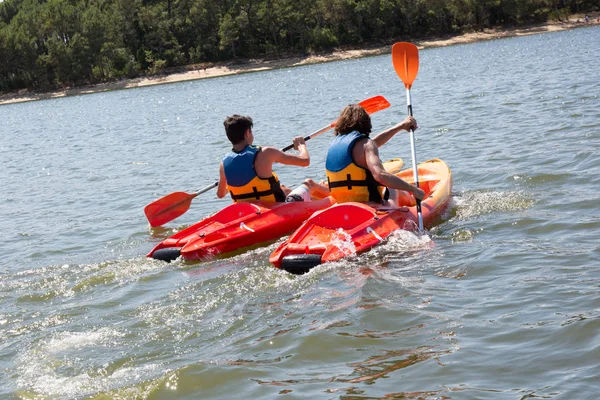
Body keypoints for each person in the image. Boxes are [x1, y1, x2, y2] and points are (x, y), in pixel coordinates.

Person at [325, 104, 425, 207]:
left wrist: (400, 126)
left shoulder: (335, 145)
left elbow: (373, 143)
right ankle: (415, 199)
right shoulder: (366, 145)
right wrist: (413, 189)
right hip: (369, 207)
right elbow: (380, 176)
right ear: (365, 122)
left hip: (342, 206)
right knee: (392, 187)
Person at [216, 114, 330, 203]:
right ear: (247, 133)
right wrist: (301, 146)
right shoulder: (266, 153)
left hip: (251, 209)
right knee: (309, 183)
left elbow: (221, 194)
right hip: (275, 207)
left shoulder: (224, 164)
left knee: (283, 189)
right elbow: (305, 161)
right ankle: (333, 200)